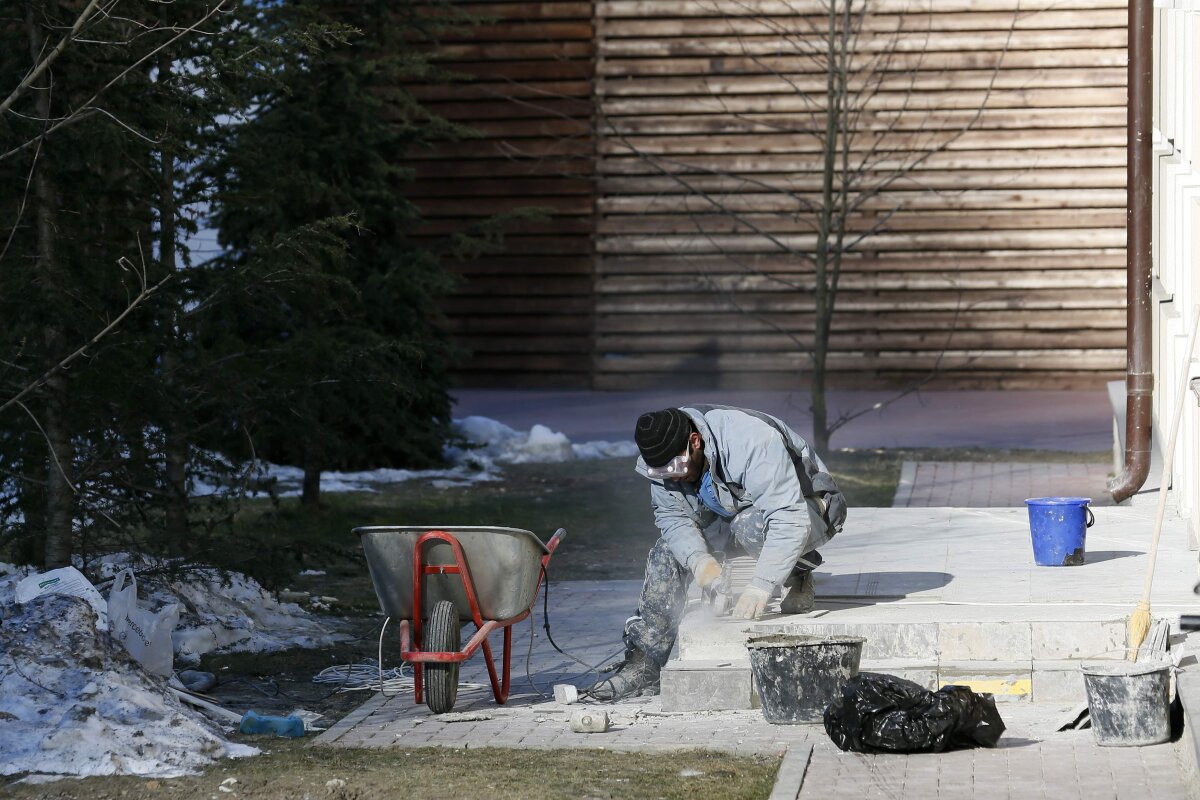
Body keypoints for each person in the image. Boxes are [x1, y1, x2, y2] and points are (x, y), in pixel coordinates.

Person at [585, 404, 847, 701]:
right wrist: (701, 564)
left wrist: (761, 585)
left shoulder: (750, 441)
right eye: (662, 472)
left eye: (675, 468)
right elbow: (673, 518)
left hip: (808, 509)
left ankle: (797, 574)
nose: (672, 478)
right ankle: (645, 664)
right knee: (667, 551)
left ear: (694, 442)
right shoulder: (662, 459)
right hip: (730, 514)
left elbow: (788, 519)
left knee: (749, 525)